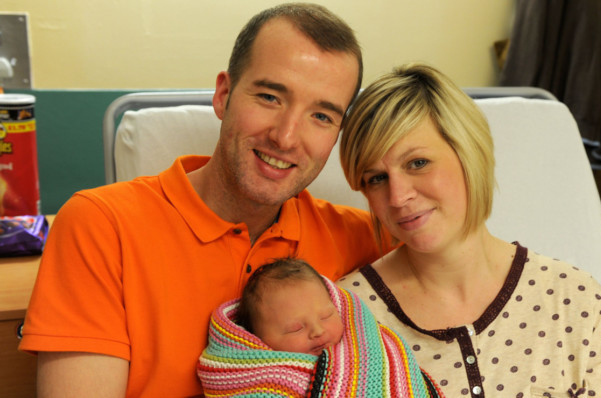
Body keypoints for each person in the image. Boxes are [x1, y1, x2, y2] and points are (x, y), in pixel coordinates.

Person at [19, 4, 381, 397]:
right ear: (224, 95)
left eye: (322, 117)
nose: (287, 137)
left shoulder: (359, 236)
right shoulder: (102, 226)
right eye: (270, 97)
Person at [337, 63, 601, 397]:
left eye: (417, 163)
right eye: (376, 178)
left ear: (469, 153)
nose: (398, 196)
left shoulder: (575, 299)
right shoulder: (344, 318)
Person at [196, 257, 442, 397]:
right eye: (295, 329)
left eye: (326, 316)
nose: (318, 330)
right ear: (256, 338)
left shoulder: (364, 348)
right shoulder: (254, 378)